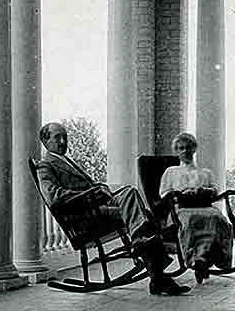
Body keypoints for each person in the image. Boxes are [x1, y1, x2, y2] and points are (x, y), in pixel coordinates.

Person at [37, 122, 190, 295]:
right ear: (45, 141)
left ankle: (155, 274)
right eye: (58, 137)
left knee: (136, 205)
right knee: (136, 206)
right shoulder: (46, 166)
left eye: (65, 136)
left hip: (97, 209)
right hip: (85, 216)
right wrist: (93, 192)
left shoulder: (65, 161)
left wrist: (100, 188)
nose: (63, 141)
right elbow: (54, 197)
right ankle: (156, 271)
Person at [159, 132, 233, 284]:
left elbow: (214, 190)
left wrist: (205, 191)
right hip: (182, 209)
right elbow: (163, 194)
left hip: (205, 206)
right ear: (176, 151)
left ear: (194, 149)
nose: (184, 151)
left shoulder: (205, 172)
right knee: (191, 220)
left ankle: (206, 260)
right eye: (181, 148)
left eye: (188, 147)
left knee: (217, 219)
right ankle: (197, 260)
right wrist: (179, 193)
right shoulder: (171, 172)